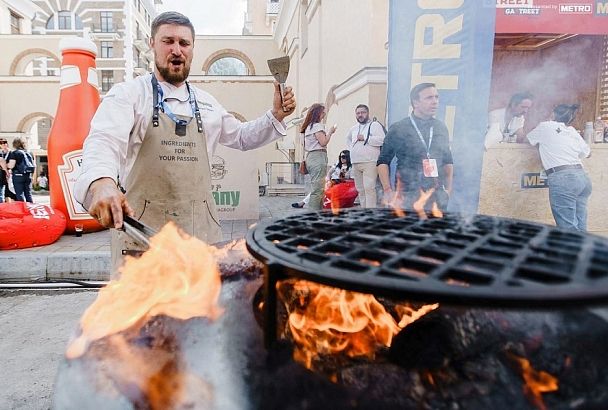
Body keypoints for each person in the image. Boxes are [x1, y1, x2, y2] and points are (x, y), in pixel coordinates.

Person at [73, 12, 296, 270]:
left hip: (201, 239)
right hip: (144, 243)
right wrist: (101, 183)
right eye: (168, 41)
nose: (176, 50)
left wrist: (276, 115)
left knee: (202, 308)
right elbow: (103, 141)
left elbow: (242, 137)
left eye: (184, 43)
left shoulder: (206, 102)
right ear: (152, 43)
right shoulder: (129, 95)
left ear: (192, 49)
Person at [377, 83, 453, 212]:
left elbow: (447, 161)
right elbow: (383, 162)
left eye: (436, 97)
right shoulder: (399, 128)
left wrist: (448, 190)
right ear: (415, 102)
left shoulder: (441, 127)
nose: (435, 102)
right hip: (407, 195)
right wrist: (388, 190)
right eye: (429, 98)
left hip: (437, 195)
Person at [526, 104, 591, 231]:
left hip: (564, 179)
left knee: (567, 227)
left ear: (553, 114)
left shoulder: (545, 126)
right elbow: (588, 153)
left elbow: (527, 139)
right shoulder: (572, 131)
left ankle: (572, 250)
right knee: (580, 224)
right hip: (583, 179)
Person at [345, 104, 385, 207]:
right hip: (356, 162)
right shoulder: (353, 128)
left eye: (363, 112)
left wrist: (366, 138)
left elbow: (382, 140)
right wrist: (352, 149)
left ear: (368, 113)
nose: (360, 115)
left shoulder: (374, 125)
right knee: (360, 190)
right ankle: (364, 211)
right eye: (358, 113)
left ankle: (370, 213)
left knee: (369, 188)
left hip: (370, 161)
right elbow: (348, 139)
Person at [300, 103, 337, 210]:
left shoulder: (307, 127)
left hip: (311, 157)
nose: (324, 115)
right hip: (318, 157)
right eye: (323, 113)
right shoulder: (316, 126)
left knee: (317, 188)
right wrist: (330, 132)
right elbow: (323, 142)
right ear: (318, 113)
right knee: (318, 190)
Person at [6, 137, 34, 203]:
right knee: (28, 194)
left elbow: (11, 165)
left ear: (14, 144)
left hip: (18, 175)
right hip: (28, 175)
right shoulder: (29, 153)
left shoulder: (15, 153)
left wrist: (6, 165)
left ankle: (23, 210)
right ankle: (31, 210)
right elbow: (33, 165)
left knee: (20, 194)